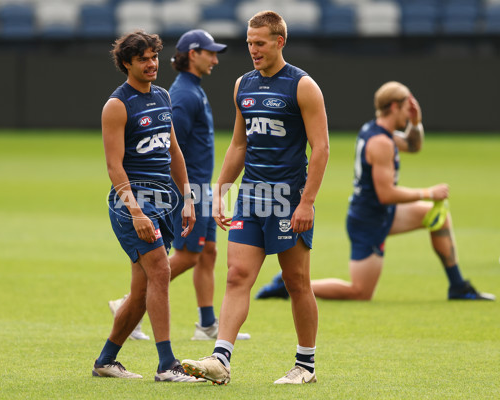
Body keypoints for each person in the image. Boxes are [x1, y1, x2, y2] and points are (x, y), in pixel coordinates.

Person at [182, 10, 330, 385]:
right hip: (251, 195)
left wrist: (307, 201)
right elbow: (238, 144)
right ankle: (221, 359)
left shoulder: (303, 86)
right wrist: (220, 191)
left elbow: (322, 148)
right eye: (249, 43)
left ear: (279, 42)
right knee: (237, 276)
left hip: (288, 197)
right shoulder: (242, 85)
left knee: (296, 281)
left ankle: (306, 366)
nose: (253, 50)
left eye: (260, 43)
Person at [256, 81, 495, 302]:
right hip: (368, 220)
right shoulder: (381, 143)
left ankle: (458, 286)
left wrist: (415, 121)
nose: (407, 113)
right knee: (360, 292)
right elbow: (386, 194)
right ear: (394, 107)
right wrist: (428, 192)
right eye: (405, 109)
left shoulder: (377, 130)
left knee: (438, 218)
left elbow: (414, 145)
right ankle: (286, 284)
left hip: (382, 213)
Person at [109, 29, 250, 341]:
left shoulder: (190, 89)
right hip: (191, 189)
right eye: (209, 52)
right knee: (187, 255)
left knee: (209, 251)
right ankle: (128, 302)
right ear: (192, 54)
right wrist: (185, 194)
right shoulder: (184, 93)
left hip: (200, 186)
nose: (215, 59)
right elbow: (170, 147)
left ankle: (207, 323)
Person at [93, 30, 204, 383]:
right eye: (143, 58)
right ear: (126, 63)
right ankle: (167, 364)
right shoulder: (117, 105)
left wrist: (187, 198)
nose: (152, 63)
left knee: (142, 291)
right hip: (134, 202)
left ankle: (106, 360)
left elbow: (173, 151)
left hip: (165, 201)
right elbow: (114, 166)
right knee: (161, 271)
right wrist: (135, 211)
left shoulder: (162, 95)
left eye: (154, 56)